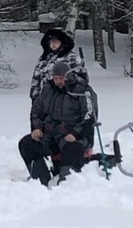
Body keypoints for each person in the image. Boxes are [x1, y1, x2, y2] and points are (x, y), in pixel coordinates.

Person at [19, 58, 94, 186]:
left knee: (73, 148)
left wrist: (76, 134)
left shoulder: (82, 91)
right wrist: (36, 128)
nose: (58, 81)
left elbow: (89, 116)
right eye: (55, 78)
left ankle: (67, 182)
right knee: (27, 144)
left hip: (74, 135)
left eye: (61, 78)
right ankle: (40, 180)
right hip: (50, 134)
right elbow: (36, 111)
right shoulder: (48, 90)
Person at [31, 21, 89, 97]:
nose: (54, 44)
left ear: (62, 43)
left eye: (56, 42)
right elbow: (36, 81)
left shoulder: (72, 58)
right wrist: (35, 98)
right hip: (45, 100)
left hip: (66, 99)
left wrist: (70, 79)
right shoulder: (44, 60)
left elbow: (83, 80)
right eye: (52, 42)